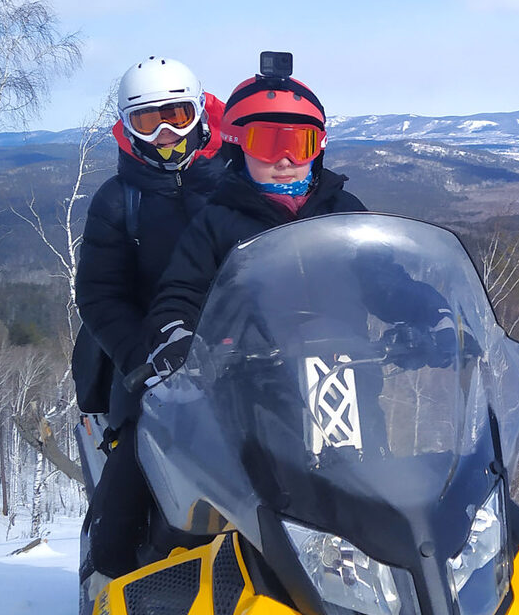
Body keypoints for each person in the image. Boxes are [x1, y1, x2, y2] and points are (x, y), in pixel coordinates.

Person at [77, 56, 224, 584]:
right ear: (127, 126)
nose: (165, 133)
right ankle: (115, 582)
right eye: (147, 121)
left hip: (243, 355)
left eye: (177, 115)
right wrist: (148, 355)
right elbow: (99, 294)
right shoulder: (120, 201)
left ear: (202, 113)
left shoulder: (237, 182)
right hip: (155, 363)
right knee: (119, 522)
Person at [141, 54, 370, 383]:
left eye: (299, 144)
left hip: (350, 381)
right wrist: (176, 336)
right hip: (253, 387)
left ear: (318, 149)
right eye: (266, 144)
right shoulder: (217, 221)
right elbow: (180, 293)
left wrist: (431, 316)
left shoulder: (343, 211)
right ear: (237, 149)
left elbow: (388, 279)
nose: (285, 160)